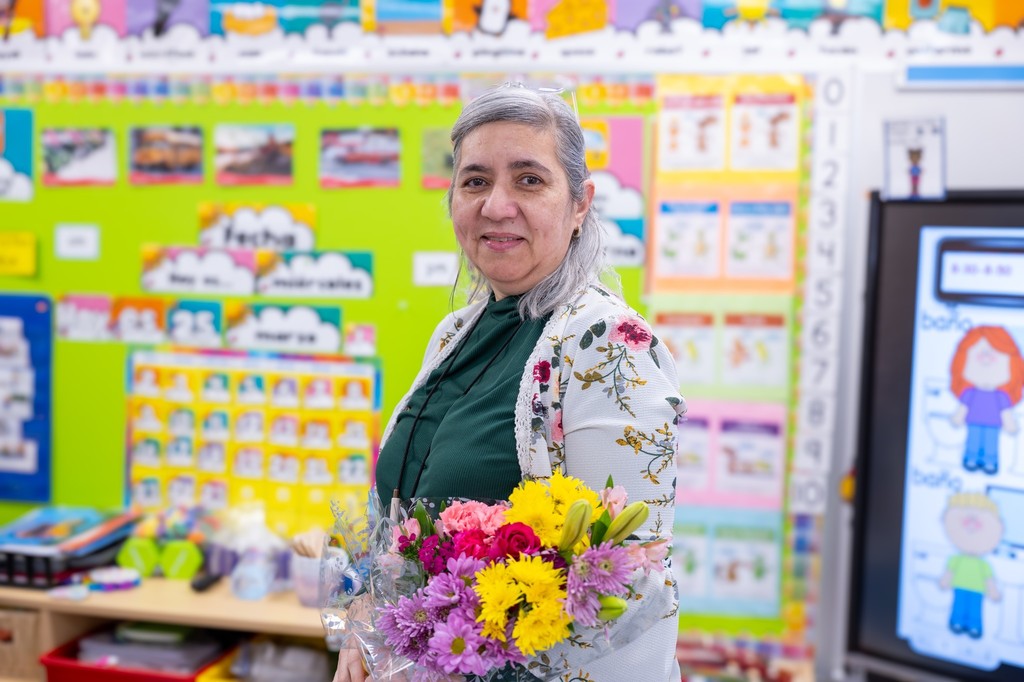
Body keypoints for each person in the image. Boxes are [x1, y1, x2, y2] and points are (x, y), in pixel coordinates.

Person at [334, 85, 685, 682]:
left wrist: (449, 650)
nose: (496, 205)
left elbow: (628, 584)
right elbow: (399, 526)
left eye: (529, 179)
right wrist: (359, 630)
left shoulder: (608, 344)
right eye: (475, 181)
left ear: (579, 205)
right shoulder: (452, 334)